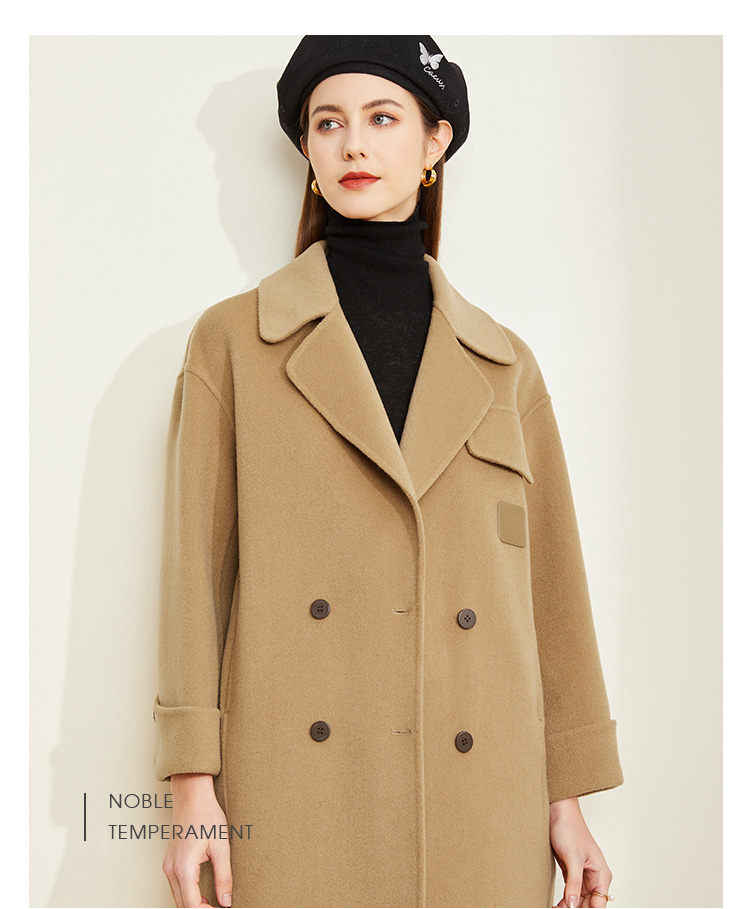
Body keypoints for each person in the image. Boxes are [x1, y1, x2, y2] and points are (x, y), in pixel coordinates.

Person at [152, 35, 624, 909]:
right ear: (306, 149)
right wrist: (191, 788)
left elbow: (549, 592)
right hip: (297, 787)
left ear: (435, 141)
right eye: (328, 124)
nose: (354, 145)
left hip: (485, 796)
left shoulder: (504, 363)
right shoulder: (234, 343)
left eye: (382, 118)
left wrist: (567, 797)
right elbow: (193, 582)